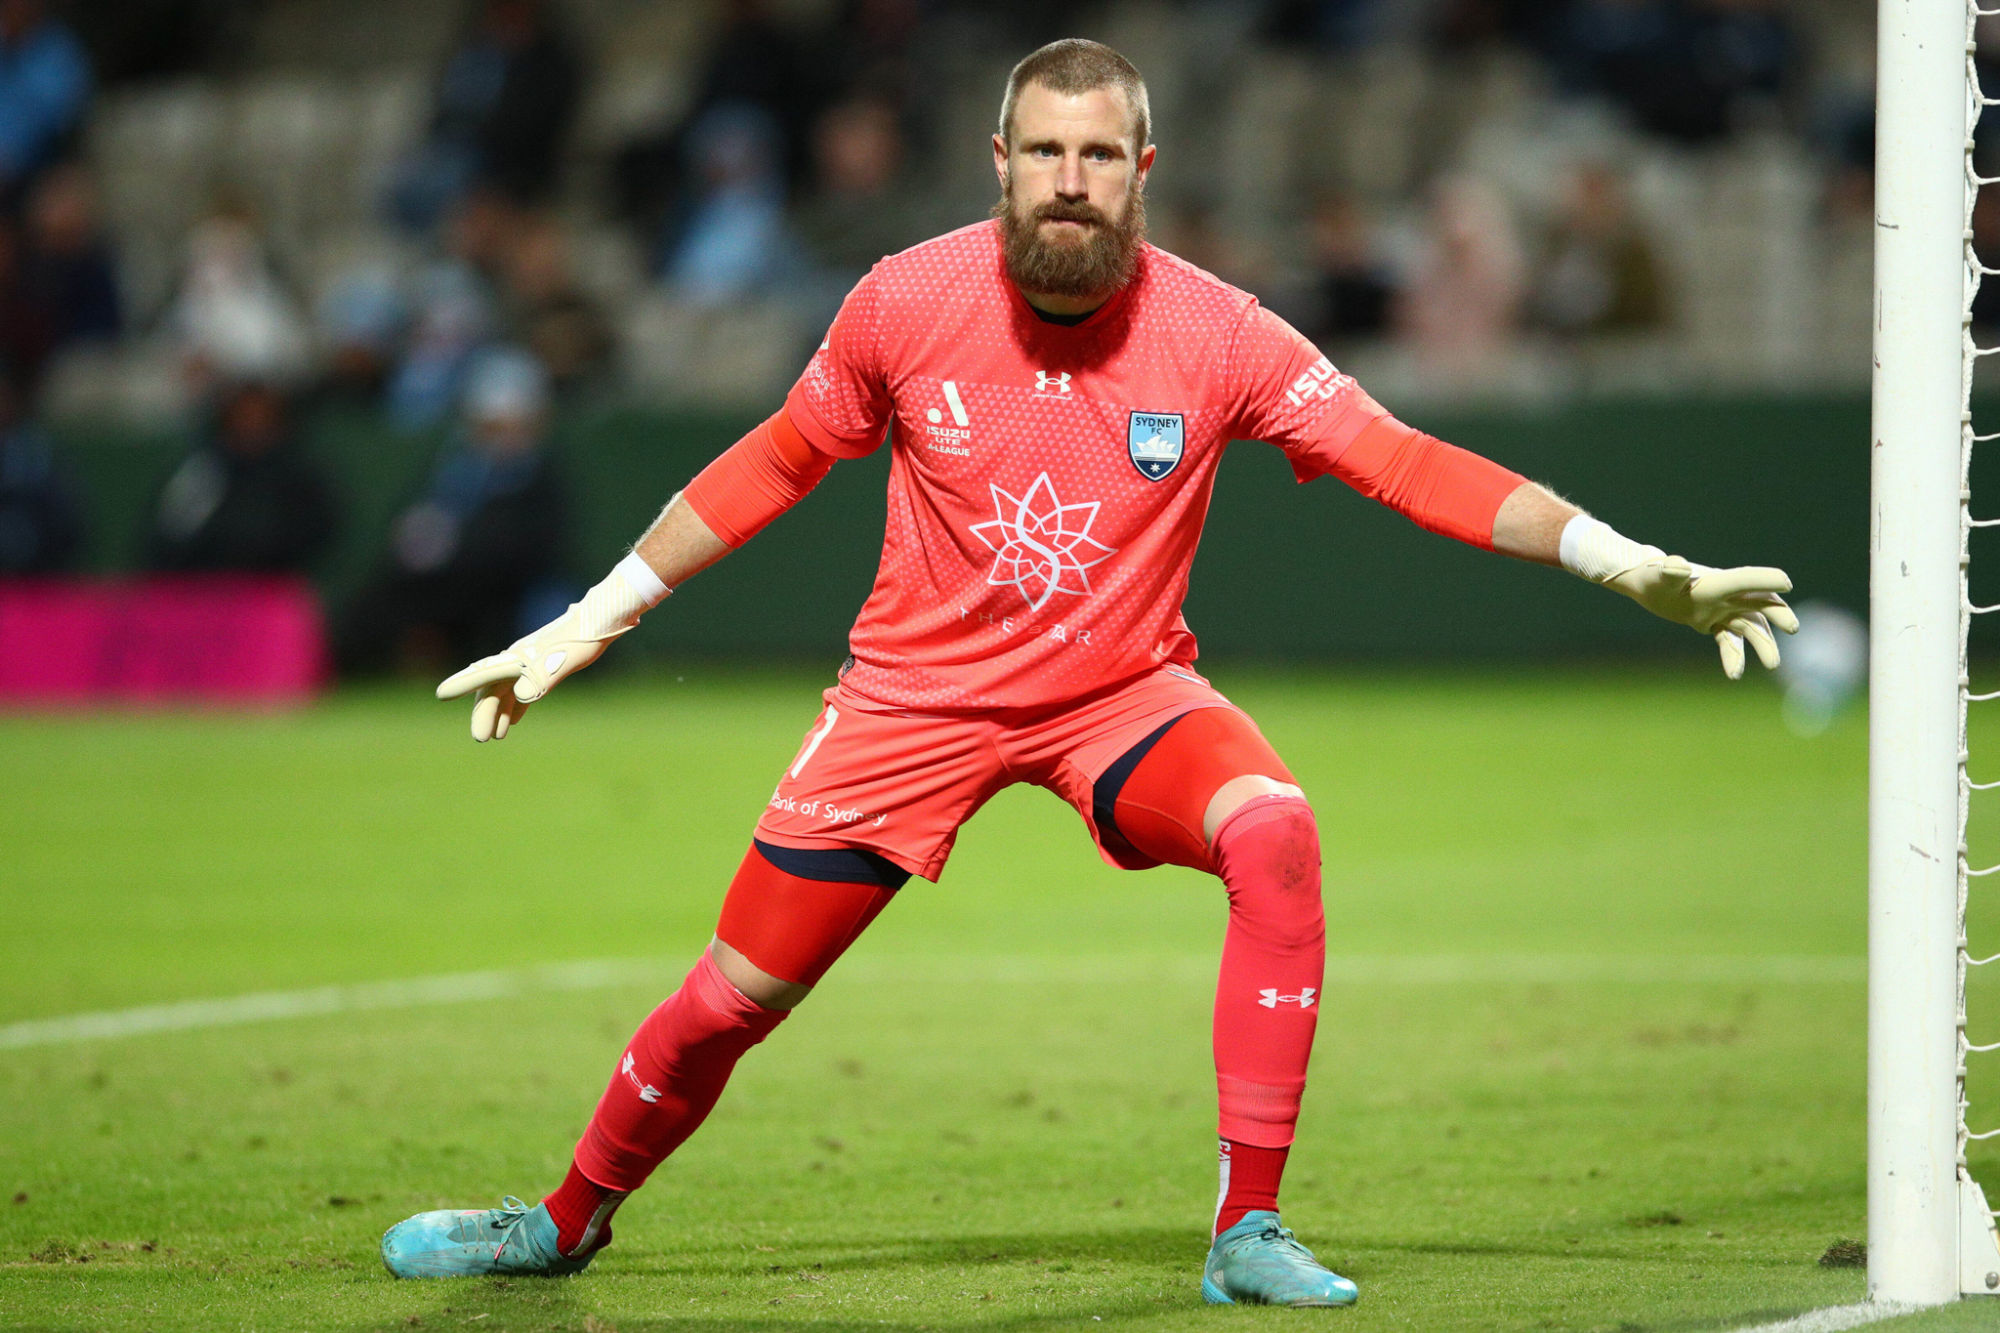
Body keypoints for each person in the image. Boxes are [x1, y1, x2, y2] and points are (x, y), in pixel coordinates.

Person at [380, 39, 1795, 1307]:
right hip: (913, 701)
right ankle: (560, 1221)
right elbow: (778, 459)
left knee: (1274, 830)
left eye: (1100, 154)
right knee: (729, 1000)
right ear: (1000, 160)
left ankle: (1247, 1226)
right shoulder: (903, 300)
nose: (1071, 180)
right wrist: (592, 617)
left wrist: (1624, 561)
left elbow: (1404, 460)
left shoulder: (1220, 331)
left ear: (1143, 171)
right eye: (1047, 151)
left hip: (1120, 696)